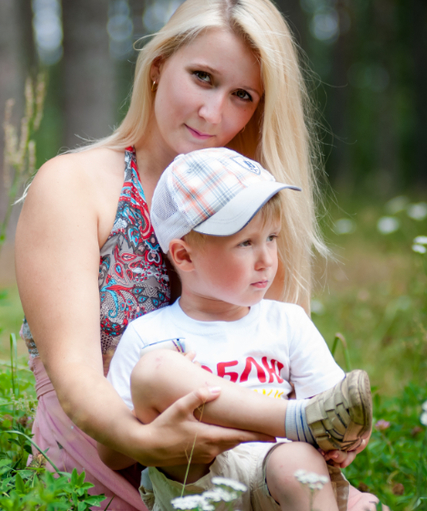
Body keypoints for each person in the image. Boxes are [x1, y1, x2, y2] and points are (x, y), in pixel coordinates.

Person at [15, 0, 379, 508]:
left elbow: (280, 363)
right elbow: (76, 381)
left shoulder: (255, 204)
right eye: (203, 77)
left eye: (242, 95)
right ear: (159, 64)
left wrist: (333, 446)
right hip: (98, 462)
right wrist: (144, 441)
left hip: (241, 467)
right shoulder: (75, 185)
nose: (213, 113)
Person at [100, 147, 378, 511]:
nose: (266, 260)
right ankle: (293, 420)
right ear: (184, 255)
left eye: (271, 238)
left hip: (277, 475)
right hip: (198, 476)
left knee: (299, 463)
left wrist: (349, 440)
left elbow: (335, 409)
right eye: (245, 243)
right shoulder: (148, 332)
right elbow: (112, 453)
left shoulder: (287, 321)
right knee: (155, 368)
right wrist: (160, 430)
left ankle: (305, 437)